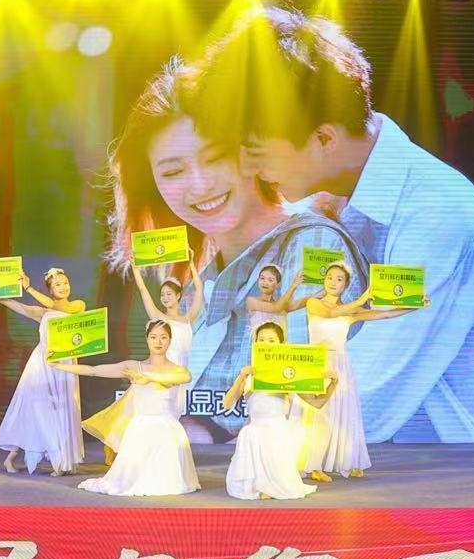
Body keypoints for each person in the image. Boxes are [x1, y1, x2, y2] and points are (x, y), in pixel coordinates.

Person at [185, 5, 474, 445]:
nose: (247, 168)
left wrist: (230, 432)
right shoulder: (323, 205)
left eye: (257, 152)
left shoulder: (436, 216)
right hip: (419, 466)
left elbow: (367, 396)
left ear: (323, 138)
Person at [103, 60, 365, 429]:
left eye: (216, 158)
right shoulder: (200, 280)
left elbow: (298, 396)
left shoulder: (312, 243)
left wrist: (197, 430)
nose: (200, 186)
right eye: (173, 171)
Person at [58, 320, 199, 497]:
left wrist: (147, 377)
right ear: (147, 339)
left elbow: (185, 378)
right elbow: (93, 370)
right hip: (140, 427)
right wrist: (59, 365)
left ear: (170, 341)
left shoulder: (177, 369)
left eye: (163, 337)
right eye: (153, 337)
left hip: (166, 428)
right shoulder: (134, 367)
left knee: (169, 483)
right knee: (128, 479)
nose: (158, 342)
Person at [303, 262, 417, 479]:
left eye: (339, 279)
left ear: (345, 285)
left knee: (344, 412)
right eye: (329, 277)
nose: (333, 282)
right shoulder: (313, 303)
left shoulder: (351, 310)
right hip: (317, 363)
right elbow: (331, 313)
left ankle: (348, 459)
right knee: (320, 413)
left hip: (340, 363)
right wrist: (362, 299)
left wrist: (415, 304)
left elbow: (385, 315)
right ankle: (315, 466)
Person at [0, 267, 85, 476]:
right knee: (34, 408)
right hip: (42, 364)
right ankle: (12, 458)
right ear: (50, 289)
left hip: (65, 364)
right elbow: (13, 304)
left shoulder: (77, 306)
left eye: (65, 282)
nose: (63, 287)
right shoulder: (43, 312)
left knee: (62, 408)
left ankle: (61, 461)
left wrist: (28, 287)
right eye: (57, 284)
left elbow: (56, 306)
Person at [222, 322, 333, 500]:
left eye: (271, 340)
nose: (265, 343)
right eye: (261, 340)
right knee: (242, 485)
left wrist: (333, 383)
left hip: (278, 433)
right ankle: (258, 487)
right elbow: (227, 403)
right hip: (254, 433)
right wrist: (241, 377)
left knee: (283, 484)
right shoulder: (249, 374)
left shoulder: (289, 373)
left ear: (281, 344)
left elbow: (317, 402)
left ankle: (271, 486)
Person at [132, 263, 202, 415]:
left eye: (169, 294)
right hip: (163, 368)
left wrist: (191, 265)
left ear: (178, 295)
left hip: (181, 370)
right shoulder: (159, 318)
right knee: (162, 408)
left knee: (175, 411)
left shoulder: (188, 318)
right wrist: (135, 269)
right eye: (162, 295)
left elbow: (199, 290)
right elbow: (143, 290)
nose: (165, 298)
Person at [243, 263, 309, 338]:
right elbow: (276, 308)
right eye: (262, 278)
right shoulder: (251, 301)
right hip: (260, 345)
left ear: (277, 284)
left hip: (279, 345)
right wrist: (294, 285)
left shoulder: (282, 306)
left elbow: (304, 301)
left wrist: (320, 293)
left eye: (270, 280)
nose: (264, 282)